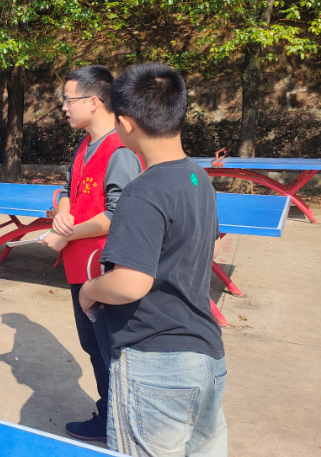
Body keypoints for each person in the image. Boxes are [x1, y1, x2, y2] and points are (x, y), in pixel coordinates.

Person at [80, 63, 227, 456]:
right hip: (207, 357)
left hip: (156, 363)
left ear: (126, 123)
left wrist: (89, 290)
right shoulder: (198, 177)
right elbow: (209, 248)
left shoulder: (141, 192)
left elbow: (130, 283)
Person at [39, 66, 142, 443]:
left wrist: (64, 234)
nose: (64, 107)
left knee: (112, 350)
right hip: (80, 269)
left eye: (69, 100)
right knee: (94, 347)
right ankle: (108, 416)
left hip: (105, 271)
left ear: (94, 101)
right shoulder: (84, 144)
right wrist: (64, 210)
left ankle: (123, 427)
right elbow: (69, 187)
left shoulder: (121, 150)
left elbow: (118, 214)